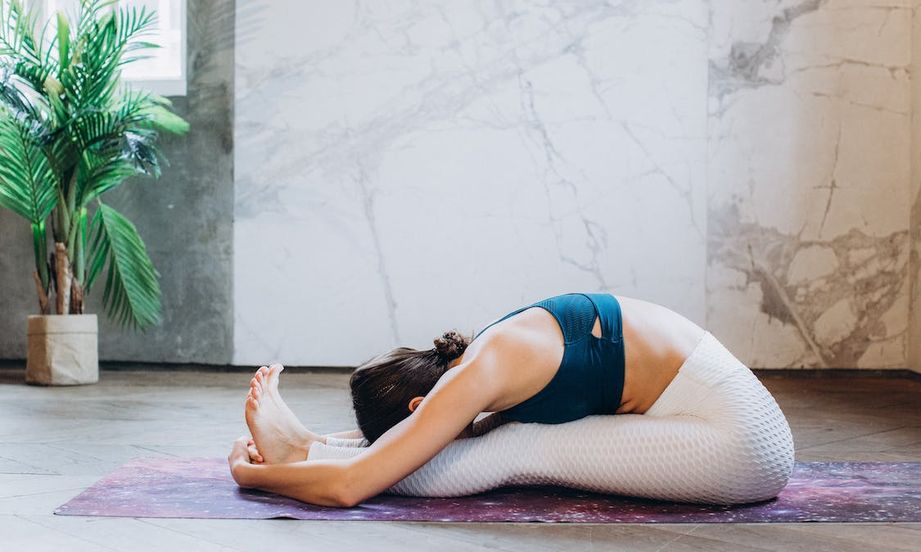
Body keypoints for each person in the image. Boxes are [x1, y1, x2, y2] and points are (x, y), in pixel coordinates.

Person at [228, 292, 794, 507]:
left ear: (420, 408)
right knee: (501, 435)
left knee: (518, 445)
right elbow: (442, 430)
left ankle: (298, 454)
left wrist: (252, 477)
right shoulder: (489, 346)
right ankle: (307, 446)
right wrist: (325, 439)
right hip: (729, 418)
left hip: (741, 451)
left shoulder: (475, 377)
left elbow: (353, 487)